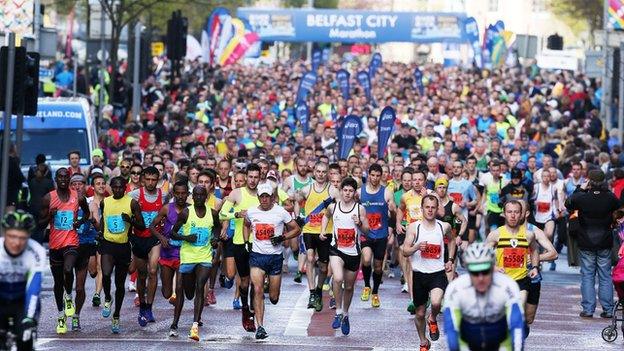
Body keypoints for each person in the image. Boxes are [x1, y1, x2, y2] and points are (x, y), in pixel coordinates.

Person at [443, 243, 525, 351]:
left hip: (501, 342)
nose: (480, 278)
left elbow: (517, 326)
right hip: (467, 341)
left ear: (492, 268)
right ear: (468, 271)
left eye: (485, 271)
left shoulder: (507, 285)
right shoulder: (456, 288)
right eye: (475, 272)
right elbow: (451, 329)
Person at [244, 183, 300, 339]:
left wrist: (282, 237)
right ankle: (260, 327)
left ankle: (272, 293)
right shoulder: (251, 212)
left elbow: (296, 229)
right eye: (261, 196)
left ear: (273, 198)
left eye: (267, 196)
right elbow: (246, 224)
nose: (264, 199)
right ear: (258, 197)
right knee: (257, 290)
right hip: (257, 256)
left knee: (274, 298)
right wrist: (246, 242)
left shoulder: (281, 212)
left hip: (275, 258)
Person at [38, 168, 90, 335]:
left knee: (68, 269)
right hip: (55, 245)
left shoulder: (78, 197)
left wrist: (79, 222)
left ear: (69, 179)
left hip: (71, 242)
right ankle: (61, 315)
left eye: (65, 177)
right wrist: (49, 217)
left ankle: (69, 297)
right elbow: (39, 224)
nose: (62, 179)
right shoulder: (49, 198)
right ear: (55, 178)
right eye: (60, 177)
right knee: (57, 282)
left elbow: (87, 213)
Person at [402, 195, 454, 351]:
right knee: (419, 313)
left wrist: (450, 259)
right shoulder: (414, 227)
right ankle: (423, 341)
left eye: (433, 207)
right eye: (427, 207)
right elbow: (405, 251)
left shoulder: (443, 226)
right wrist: (417, 247)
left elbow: (451, 240)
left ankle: (432, 318)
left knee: (437, 302)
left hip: (437, 273)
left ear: (437, 209)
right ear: (422, 208)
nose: (430, 210)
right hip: (419, 274)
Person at [565, 169, 620, 318]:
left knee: (588, 276)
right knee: (605, 276)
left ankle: (588, 309)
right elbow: (619, 207)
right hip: (604, 240)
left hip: (586, 240)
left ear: (589, 181)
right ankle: (608, 309)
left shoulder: (583, 198)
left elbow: (568, 203)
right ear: (603, 181)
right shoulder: (610, 198)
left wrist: (579, 188)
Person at [170, 186, 220, 341]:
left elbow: (217, 228)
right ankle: (175, 323)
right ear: (193, 197)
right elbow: (173, 232)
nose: (198, 197)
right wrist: (185, 238)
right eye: (196, 195)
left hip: (204, 257)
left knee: (200, 287)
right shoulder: (186, 213)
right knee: (186, 292)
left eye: (201, 195)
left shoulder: (212, 213)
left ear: (206, 197)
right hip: (188, 257)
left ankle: (194, 326)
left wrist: (215, 239)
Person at [98, 176, 145, 333]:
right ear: (110, 188)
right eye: (115, 187)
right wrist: (100, 232)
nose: (117, 190)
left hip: (123, 245)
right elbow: (103, 219)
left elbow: (142, 225)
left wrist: (130, 221)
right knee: (105, 274)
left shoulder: (131, 203)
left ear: (125, 188)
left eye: (120, 187)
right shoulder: (105, 202)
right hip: (107, 243)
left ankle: (116, 315)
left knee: (119, 284)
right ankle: (107, 298)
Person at [323, 177, 369, 336]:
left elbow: (367, 231)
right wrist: (323, 230)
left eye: (351, 191)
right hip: (336, 250)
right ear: (341, 191)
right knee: (337, 278)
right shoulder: (332, 207)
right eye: (345, 190)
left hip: (354, 253)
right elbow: (326, 216)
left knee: (349, 287)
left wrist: (360, 223)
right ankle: (338, 311)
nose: (348, 193)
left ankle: (346, 314)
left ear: (354, 193)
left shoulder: (359, 209)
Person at [219, 164, 261, 331]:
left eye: (255, 177)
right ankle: (245, 309)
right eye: (250, 177)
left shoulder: (263, 194)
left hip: (259, 243)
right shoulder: (237, 193)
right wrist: (236, 214)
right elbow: (222, 213)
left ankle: (251, 311)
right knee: (244, 281)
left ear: (260, 177)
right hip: (239, 243)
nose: (252, 180)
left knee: (255, 281)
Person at [127, 166, 168, 326]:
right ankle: (142, 305)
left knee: (152, 271)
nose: (151, 183)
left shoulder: (163, 195)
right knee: (142, 275)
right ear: (143, 179)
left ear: (158, 180)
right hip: (139, 239)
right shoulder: (134, 195)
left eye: (154, 179)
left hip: (154, 239)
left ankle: (149, 307)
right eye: (148, 179)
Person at [0, 211, 45, 351]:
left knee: (25, 338)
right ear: (4, 233)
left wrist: (29, 318)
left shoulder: (36, 251)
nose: (17, 242)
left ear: (29, 237)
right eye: (12, 236)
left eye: (22, 238)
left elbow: (33, 288)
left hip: (22, 300)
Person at [297, 162, 337, 312]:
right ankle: (312, 292)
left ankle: (319, 290)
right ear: (314, 172)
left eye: (323, 172)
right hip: (309, 230)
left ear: (327, 173)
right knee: (310, 257)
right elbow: (296, 200)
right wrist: (298, 215)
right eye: (318, 171)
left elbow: (339, 208)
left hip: (326, 231)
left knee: (323, 266)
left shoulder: (333, 191)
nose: (320, 174)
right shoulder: (307, 189)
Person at [150, 180, 188, 337]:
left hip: (184, 254)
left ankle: (175, 323)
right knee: (166, 293)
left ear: (187, 194)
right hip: (167, 253)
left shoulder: (191, 210)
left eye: (183, 193)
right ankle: (171, 297)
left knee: (179, 289)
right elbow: (152, 226)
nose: (180, 196)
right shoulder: (167, 209)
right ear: (173, 194)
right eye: (177, 193)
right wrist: (161, 238)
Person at [485, 200, 541, 307]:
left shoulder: (529, 235)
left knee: (519, 307)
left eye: (516, 212)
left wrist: (535, 267)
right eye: (510, 212)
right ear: (504, 214)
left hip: (521, 279)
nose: (513, 215)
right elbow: (484, 254)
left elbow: (534, 250)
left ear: (521, 214)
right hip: (501, 280)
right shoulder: (496, 234)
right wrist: (494, 267)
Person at [358, 164, 394, 307]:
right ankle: (367, 285)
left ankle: (375, 293)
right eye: (372, 175)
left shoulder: (387, 192)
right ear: (369, 175)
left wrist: (392, 211)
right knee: (366, 260)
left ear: (381, 176)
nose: (375, 178)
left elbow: (393, 212)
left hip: (381, 234)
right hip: (366, 233)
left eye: (378, 175)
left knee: (378, 267)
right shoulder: (360, 192)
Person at [69, 174, 99, 331]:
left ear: (86, 186)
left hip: (85, 247)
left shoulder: (91, 204)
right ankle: (63, 311)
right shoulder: (64, 202)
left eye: (80, 183)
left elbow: (98, 226)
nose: (77, 186)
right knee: (66, 284)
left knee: (79, 287)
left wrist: (93, 222)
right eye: (74, 183)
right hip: (67, 247)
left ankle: (76, 316)